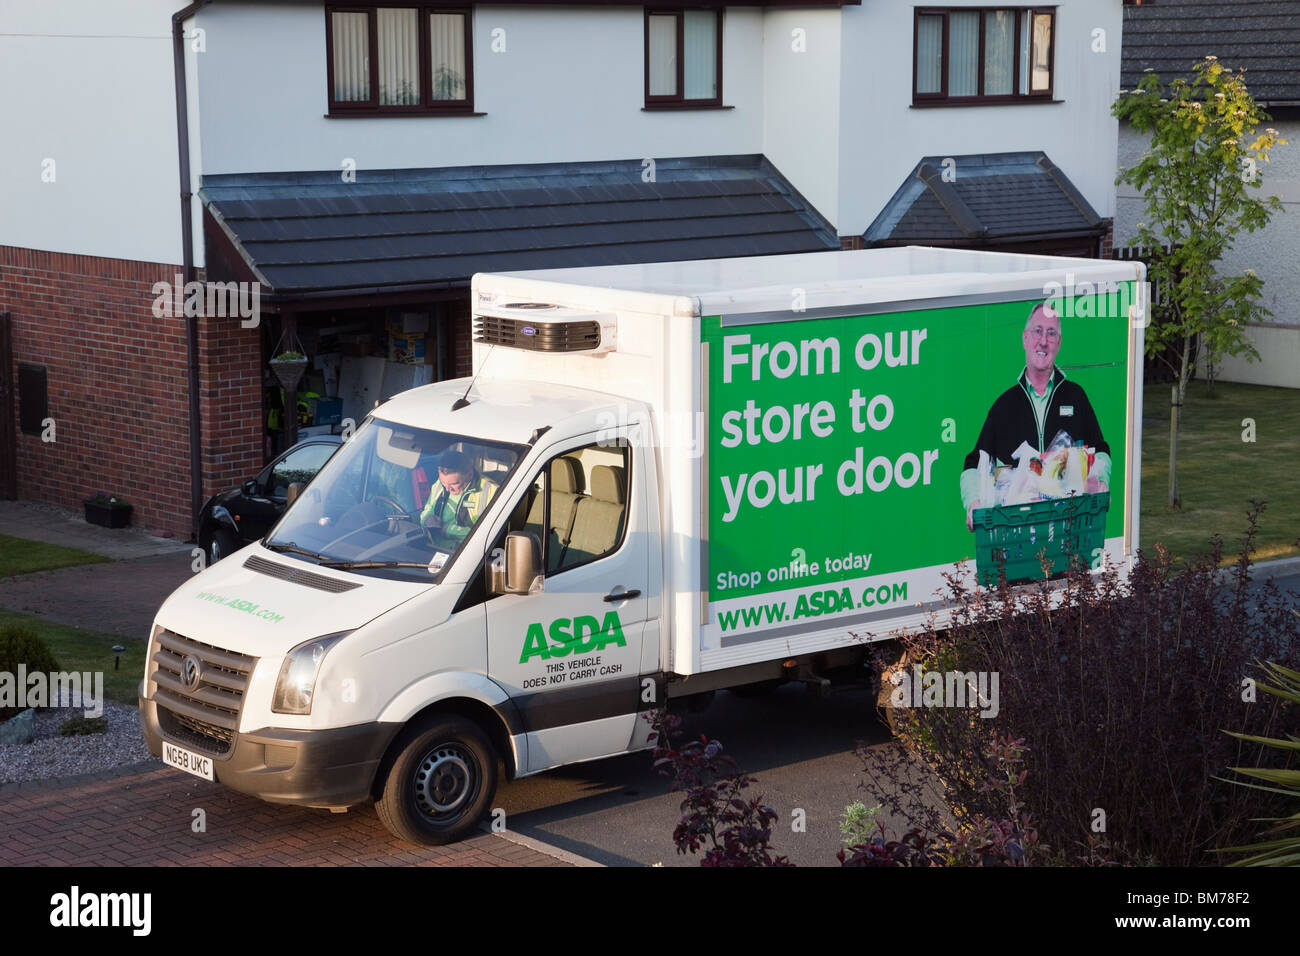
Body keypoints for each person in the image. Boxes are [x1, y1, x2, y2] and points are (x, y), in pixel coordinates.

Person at [961, 302, 1111, 531]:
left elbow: (1101, 449)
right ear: (1025, 339)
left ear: (1059, 343)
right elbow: (974, 461)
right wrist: (973, 503)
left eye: (1051, 333)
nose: (1043, 341)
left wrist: (1102, 482)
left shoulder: (1076, 397)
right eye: (1038, 331)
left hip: (1069, 532)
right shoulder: (1004, 406)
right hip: (1019, 537)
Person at [419, 450, 499, 550]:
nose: (447, 489)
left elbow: (486, 535)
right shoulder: (440, 484)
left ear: (470, 475)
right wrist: (427, 519)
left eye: (454, 484)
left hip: (465, 554)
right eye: (444, 483)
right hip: (433, 549)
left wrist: (449, 530)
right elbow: (427, 509)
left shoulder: (492, 492)